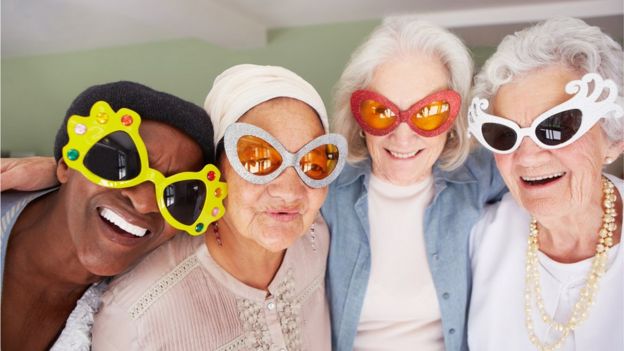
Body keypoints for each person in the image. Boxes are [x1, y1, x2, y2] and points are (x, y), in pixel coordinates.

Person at [90, 64, 347, 350]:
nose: (289, 192)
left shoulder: (319, 237)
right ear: (216, 168)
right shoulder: (134, 315)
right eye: (257, 159)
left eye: (314, 161)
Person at [321, 16, 506, 351]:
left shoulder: (481, 178)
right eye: (380, 112)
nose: (403, 136)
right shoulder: (326, 191)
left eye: (429, 112)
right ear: (358, 119)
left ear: (454, 120)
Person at [1, 81, 224, 350]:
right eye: (120, 161)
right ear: (65, 166)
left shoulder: (135, 312)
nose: (145, 203)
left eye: (181, 193)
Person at [467, 17, 623, 350]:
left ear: (613, 137)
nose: (527, 157)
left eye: (556, 127)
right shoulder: (478, 237)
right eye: (504, 134)